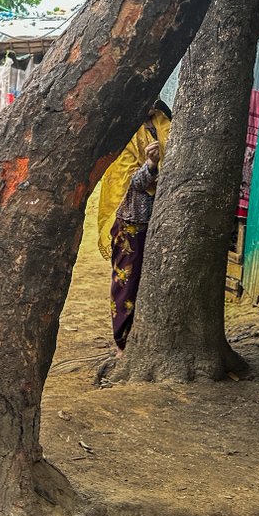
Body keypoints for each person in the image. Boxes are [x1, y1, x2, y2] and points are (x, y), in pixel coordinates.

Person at [97, 100, 172, 352]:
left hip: (158, 219)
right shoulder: (126, 134)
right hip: (130, 221)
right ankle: (122, 341)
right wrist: (151, 164)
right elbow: (132, 183)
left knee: (149, 282)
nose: (151, 101)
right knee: (125, 283)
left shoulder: (165, 124)